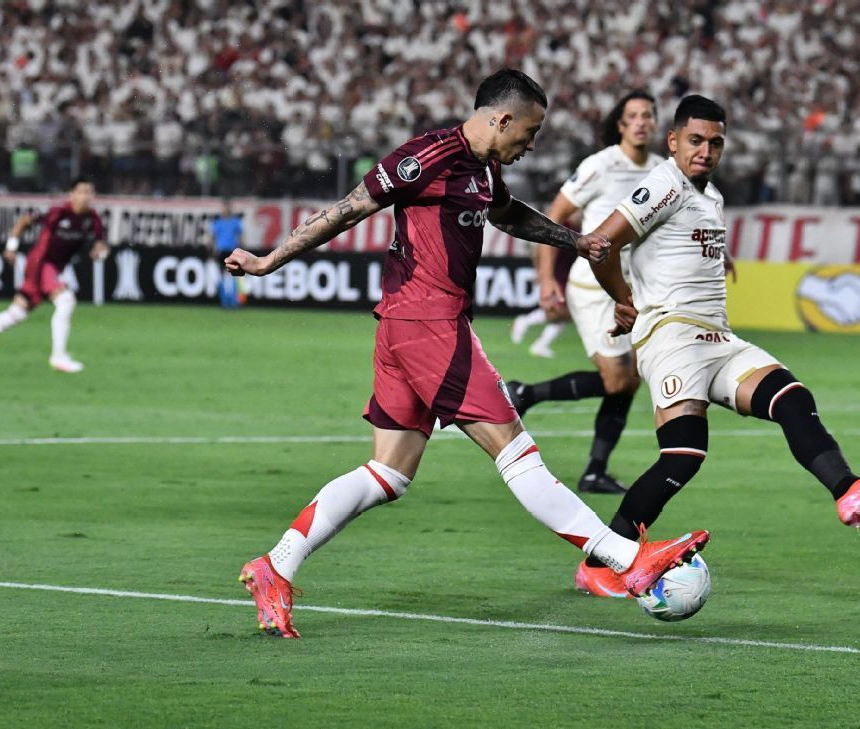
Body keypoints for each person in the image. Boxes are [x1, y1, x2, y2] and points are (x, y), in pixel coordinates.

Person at [224, 70, 709, 638]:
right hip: (428, 322)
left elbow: (508, 214)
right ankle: (627, 559)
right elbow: (349, 208)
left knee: (388, 472)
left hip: (409, 324)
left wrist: (573, 240)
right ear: (501, 119)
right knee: (515, 450)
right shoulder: (427, 157)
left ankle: (276, 565)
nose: (531, 145)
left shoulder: (484, 168)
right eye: (529, 132)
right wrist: (269, 261)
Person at [574, 95, 860, 597]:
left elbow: (683, 246)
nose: (706, 151)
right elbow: (601, 244)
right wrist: (623, 299)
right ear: (673, 141)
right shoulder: (665, 184)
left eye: (716, 142)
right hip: (673, 336)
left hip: (717, 337)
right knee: (683, 455)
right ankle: (599, 563)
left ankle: (849, 491)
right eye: (696, 140)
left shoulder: (709, 195)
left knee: (791, 397)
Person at [505, 90, 667, 496]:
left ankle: (595, 470)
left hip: (630, 290)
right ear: (621, 125)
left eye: (648, 115)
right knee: (617, 380)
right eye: (633, 115)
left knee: (629, 382)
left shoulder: (662, 171)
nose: (642, 122)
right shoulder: (600, 166)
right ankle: (525, 393)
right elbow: (554, 216)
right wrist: (547, 280)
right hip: (593, 287)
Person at [0, 179, 107, 372]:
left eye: (89, 192)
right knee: (66, 301)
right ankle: (58, 356)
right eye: (81, 191)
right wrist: (11, 247)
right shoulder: (58, 212)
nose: (85, 196)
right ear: (72, 194)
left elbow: (100, 245)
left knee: (16, 313)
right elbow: (25, 221)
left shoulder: (93, 219)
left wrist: (100, 252)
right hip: (41, 263)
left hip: (53, 268)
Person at [508, 245, 573, 358]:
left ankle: (540, 343)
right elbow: (541, 249)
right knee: (561, 312)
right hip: (558, 278)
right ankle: (526, 323)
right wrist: (543, 274)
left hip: (567, 277)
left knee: (564, 315)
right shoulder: (559, 237)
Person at [210, 207, 244, 308]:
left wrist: (242, 249)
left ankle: (233, 301)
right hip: (222, 252)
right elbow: (212, 238)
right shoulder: (218, 223)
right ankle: (224, 301)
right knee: (222, 276)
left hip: (231, 252)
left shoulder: (235, 222)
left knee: (233, 276)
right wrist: (212, 251)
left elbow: (240, 237)